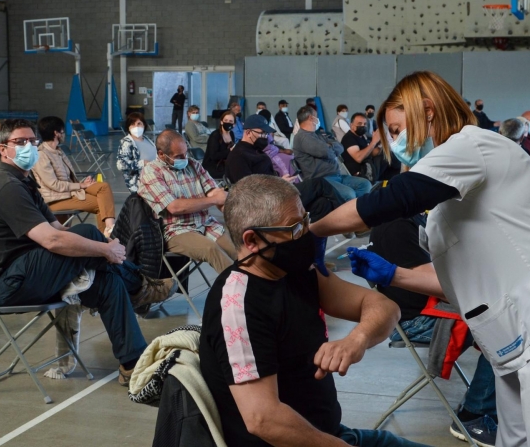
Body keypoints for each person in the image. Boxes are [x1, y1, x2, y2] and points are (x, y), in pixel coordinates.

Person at [309, 71, 530, 447]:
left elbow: (389, 200)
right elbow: (461, 277)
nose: (394, 143)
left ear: (427, 111)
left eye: (396, 129)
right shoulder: (448, 194)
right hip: (519, 339)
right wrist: (396, 274)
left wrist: (313, 231)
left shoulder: (471, 146)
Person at [199, 174, 426, 447]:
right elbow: (264, 419)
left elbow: (384, 307)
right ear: (252, 240)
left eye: (305, 220)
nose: (306, 234)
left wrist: (357, 339)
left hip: (329, 434)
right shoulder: (238, 306)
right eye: (295, 229)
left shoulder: (296, 271)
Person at [0, 119, 177, 386]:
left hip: (33, 271)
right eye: (20, 142)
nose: (29, 147)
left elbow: (57, 227)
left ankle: (132, 363)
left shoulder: (24, 181)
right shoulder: (7, 187)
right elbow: (53, 240)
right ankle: (140, 285)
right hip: (9, 284)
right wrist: (105, 249)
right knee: (91, 234)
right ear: (3, 149)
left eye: (32, 142)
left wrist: (104, 252)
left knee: (108, 283)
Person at [354, 214, 498, 447]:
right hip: (419, 319)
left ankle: (484, 400)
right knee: (506, 330)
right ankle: (475, 414)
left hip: (429, 309)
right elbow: (442, 287)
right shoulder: (397, 225)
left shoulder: (413, 219)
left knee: (505, 315)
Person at [138, 130, 237, 274]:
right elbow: (175, 207)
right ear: (161, 154)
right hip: (175, 230)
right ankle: (241, 289)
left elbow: (215, 192)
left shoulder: (194, 165)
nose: (185, 158)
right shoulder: (151, 172)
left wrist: (234, 213)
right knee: (212, 250)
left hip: (205, 224)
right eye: (179, 156)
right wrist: (215, 199)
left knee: (239, 253)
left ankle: (256, 287)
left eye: (186, 153)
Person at [224, 114, 344, 222]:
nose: (265, 137)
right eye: (262, 133)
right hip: (268, 202)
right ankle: (347, 216)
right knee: (320, 184)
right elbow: (246, 190)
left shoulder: (255, 151)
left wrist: (280, 181)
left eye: (266, 134)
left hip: (277, 192)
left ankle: (305, 240)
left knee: (323, 205)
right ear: (248, 132)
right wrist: (278, 183)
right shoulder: (238, 156)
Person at [33, 116, 117, 237]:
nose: (64, 134)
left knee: (103, 187)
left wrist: (82, 181)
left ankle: (109, 229)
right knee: (101, 205)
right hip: (56, 199)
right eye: (62, 131)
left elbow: (66, 178)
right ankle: (107, 238)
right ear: (56, 133)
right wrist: (81, 185)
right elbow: (54, 185)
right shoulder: (42, 155)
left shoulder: (58, 151)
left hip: (70, 191)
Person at [293, 105, 372, 202]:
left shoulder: (317, 134)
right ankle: (351, 212)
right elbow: (328, 152)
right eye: (316, 116)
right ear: (311, 118)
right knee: (349, 194)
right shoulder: (303, 138)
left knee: (365, 184)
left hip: (336, 176)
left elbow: (339, 146)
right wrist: (329, 146)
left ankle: (357, 209)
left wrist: (329, 146)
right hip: (321, 180)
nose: (318, 119)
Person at [341, 112, 399, 183]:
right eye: (359, 124)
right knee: (387, 156)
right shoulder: (349, 138)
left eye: (365, 124)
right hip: (362, 173)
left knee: (389, 157)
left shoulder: (361, 137)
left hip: (370, 167)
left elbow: (371, 153)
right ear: (351, 125)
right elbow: (358, 158)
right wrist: (373, 142)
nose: (363, 126)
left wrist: (383, 145)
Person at [116, 112, 157, 193]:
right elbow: (120, 164)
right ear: (128, 127)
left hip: (155, 177)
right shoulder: (127, 142)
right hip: (139, 183)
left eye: (139, 124)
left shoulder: (148, 140)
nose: (136, 127)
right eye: (132, 124)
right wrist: (142, 163)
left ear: (144, 125)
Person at [203, 110, 235, 179]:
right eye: (225, 120)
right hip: (213, 166)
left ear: (234, 124)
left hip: (224, 164)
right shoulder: (215, 135)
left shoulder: (231, 134)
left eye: (230, 121)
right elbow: (213, 156)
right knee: (236, 173)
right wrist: (230, 151)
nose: (228, 123)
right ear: (221, 122)